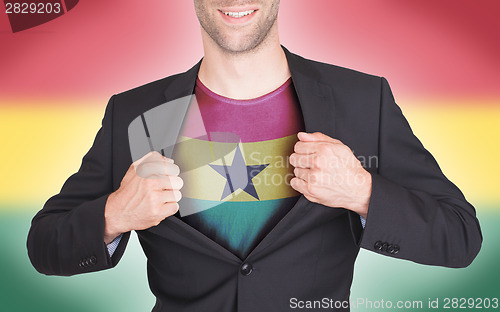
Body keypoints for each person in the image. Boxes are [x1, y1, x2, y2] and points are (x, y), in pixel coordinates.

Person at [27, 1, 482, 311]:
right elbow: (44, 245)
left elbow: (460, 237)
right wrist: (113, 215)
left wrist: (363, 192)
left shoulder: (362, 100)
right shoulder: (135, 113)